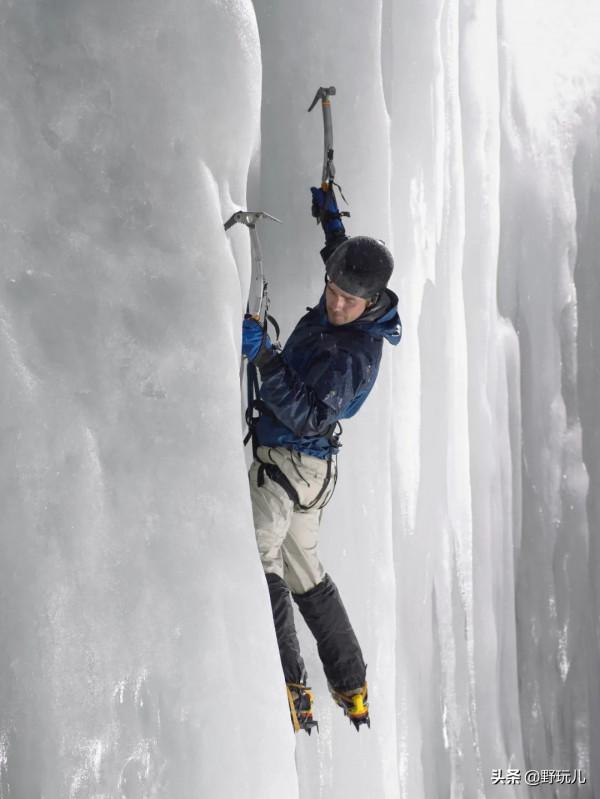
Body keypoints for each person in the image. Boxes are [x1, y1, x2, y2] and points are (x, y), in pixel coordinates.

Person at [241, 187, 402, 732]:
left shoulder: (355, 356)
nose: (336, 304)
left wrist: (265, 357)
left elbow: (308, 414)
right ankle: (351, 684)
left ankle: (288, 685)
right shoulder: (351, 288)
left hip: (293, 461)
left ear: (371, 303)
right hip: (313, 472)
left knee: (260, 551)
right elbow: (343, 260)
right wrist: (332, 222)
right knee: (304, 571)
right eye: (332, 290)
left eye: (348, 300)